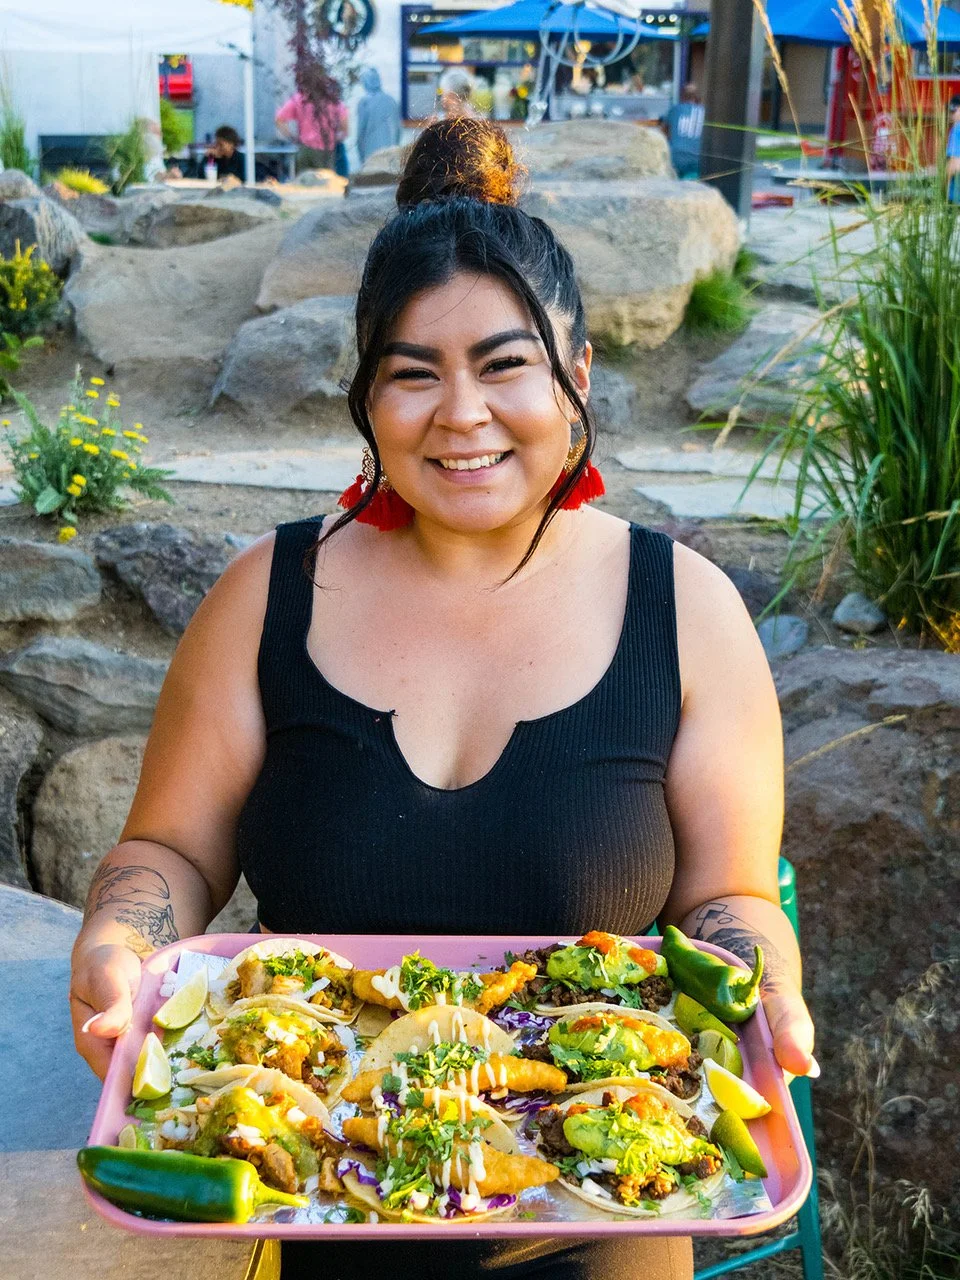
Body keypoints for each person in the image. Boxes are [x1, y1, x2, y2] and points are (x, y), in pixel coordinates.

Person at [70, 117, 817, 1280]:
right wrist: (121, 939)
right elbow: (167, 844)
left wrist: (762, 987)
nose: (460, 413)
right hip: (303, 1193)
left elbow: (729, 895)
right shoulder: (267, 594)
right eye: (413, 373)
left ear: (577, 374)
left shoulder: (690, 613)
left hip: (599, 1216)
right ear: (366, 398)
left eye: (504, 363)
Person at [275, 69, 349, 173]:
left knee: (304, 185)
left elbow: (279, 119)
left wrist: (292, 137)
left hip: (305, 150)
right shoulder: (333, 101)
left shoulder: (299, 99)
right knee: (326, 185)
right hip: (326, 151)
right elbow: (344, 129)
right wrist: (335, 138)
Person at [355, 68, 401, 164]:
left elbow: (361, 132)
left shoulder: (364, 102)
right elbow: (397, 130)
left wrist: (361, 155)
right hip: (389, 154)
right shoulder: (391, 100)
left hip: (370, 154)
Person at [663, 83, 705, 180]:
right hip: (697, 159)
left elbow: (664, 133)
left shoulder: (675, 109)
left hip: (676, 158)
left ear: (682, 97)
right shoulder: (704, 112)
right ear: (698, 98)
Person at [947, 94, 960, 203]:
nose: (951, 115)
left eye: (953, 111)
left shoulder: (957, 129)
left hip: (956, 198)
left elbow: (955, 163)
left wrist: (944, 186)